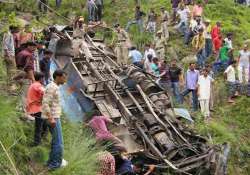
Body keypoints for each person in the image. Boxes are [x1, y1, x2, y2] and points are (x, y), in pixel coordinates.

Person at [42, 69, 68, 169]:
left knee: (55, 141)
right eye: (64, 77)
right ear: (58, 76)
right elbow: (45, 103)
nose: (65, 79)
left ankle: (51, 162)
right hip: (53, 117)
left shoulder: (54, 87)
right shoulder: (52, 87)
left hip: (54, 117)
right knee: (59, 142)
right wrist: (51, 118)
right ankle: (55, 164)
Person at [26, 72, 47, 146]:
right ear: (41, 79)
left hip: (34, 108)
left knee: (44, 125)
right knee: (39, 127)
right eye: (43, 78)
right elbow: (44, 92)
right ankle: (36, 144)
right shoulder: (37, 85)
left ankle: (40, 141)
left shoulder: (33, 85)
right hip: (37, 109)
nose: (44, 80)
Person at [2, 25, 16, 91]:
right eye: (16, 29)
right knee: (12, 70)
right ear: (12, 29)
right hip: (9, 55)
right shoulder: (8, 34)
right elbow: (5, 46)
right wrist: (9, 55)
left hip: (8, 55)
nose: (17, 31)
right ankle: (11, 86)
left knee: (9, 71)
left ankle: (9, 85)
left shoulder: (8, 34)